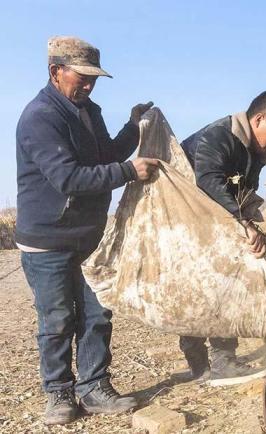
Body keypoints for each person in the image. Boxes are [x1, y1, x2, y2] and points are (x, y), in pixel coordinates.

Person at [15, 36, 159, 425]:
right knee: (58, 320)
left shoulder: (88, 110)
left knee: (97, 314)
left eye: (94, 79)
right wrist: (130, 171)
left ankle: (94, 387)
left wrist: (132, 128)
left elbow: (105, 157)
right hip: (48, 239)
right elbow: (68, 178)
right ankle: (59, 392)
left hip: (89, 236)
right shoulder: (40, 117)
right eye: (82, 77)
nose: (89, 86)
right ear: (55, 71)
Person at [179, 90, 266, 380]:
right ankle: (199, 362)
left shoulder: (252, 150)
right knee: (197, 291)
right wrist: (244, 222)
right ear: (258, 119)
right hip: (190, 227)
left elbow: (243, 190)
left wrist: (251, 216)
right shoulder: (219, 136)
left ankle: (222, 359)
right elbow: (208, 180)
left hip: (215, 224)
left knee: (224, 287)